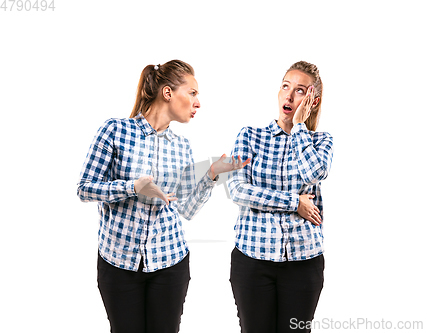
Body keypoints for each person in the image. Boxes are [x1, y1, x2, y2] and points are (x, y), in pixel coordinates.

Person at [77, 59, 249, 333]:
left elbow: (186, 209)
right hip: (119, 264)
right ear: (167, 93)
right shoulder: (115, 130)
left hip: (170, 263)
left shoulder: (182, 146)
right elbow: (85, 188)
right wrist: (132, 187)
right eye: (192, 93)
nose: (198, 102)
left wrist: (213, 173)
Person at [227, 60, 334, 333]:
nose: (288, 95)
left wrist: (299, 128)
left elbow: (314, 172)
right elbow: (238, 190)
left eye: (299, 91)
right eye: (285, 86)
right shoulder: (249, 136)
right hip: (252, 259)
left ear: (313, 100)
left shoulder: (321, 141)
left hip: (304, 262)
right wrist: (294, 202)